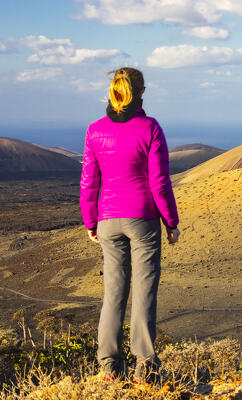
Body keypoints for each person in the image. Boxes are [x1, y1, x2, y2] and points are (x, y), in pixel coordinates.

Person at [79, 67, 180, 383]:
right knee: (145, 290)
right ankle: (144, 365)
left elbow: (88, 182)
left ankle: (108, 364)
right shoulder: (150, 128)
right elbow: (159, 181)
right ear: (140, 93)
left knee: (114, 293)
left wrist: (90, 221)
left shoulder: (95, 131)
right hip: (143, 219)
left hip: (108, 220)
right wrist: (171, 221)